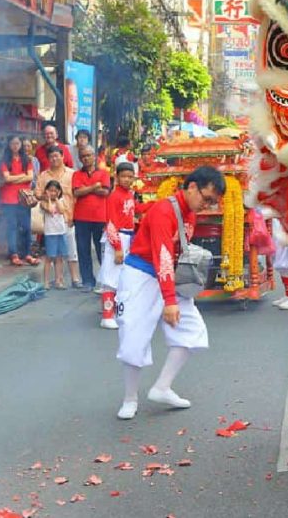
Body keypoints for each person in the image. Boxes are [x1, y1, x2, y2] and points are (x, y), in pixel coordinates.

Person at [115, 167, 225, 420]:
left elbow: (172, 257)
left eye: (212, 202)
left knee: (192, 330)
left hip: (166, 277)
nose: (207, 206)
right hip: (140, 276)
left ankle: (162, 387)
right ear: (192, 187)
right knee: (133, 336)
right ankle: (129, 398)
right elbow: (162, 256)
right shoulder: (164, 210)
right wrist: (170, 301)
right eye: (206, 199)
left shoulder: (190, 213)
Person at [36, 144, 83, 287]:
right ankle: (58, 279)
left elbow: (77, 194)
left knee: (71, 249)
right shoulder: (43, 176)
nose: (54, 158)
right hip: (51, 219)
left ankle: (75, 279)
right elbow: (37, 194)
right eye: (51, 156)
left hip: (68, 216)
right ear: (48, 159)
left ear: (63, 157)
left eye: (57, 155)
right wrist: (47, 198)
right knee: (54, 253)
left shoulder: (72, 174)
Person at [98, 163, 137, 329]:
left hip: (127, 237)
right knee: (111, 277)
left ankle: (117, 312)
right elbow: (111, 224)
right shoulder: (114, 196)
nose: (127, 179)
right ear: (117, 176)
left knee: (123, 278)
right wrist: (117, 247)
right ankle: (107, 315)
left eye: (130, 176)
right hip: (117, 237)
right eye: (124, 176)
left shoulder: (129, 194)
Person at [72, 145, 111, 290]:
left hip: (100, 217)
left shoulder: (103, 173)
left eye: (89, 155)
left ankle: (106, 280)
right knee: (83, 250)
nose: (86, 158)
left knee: (102, 251)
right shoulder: (77, 174)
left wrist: (86, 189)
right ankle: (88, 281)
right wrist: (95, 187)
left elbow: (105, 192)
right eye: (83, 156)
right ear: (80, 158)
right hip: (81, 217)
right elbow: (77, 192)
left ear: (94, 156)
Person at [0, 136, 38, 266]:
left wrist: (13, 178)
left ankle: (27, 253)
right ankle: (14, 254)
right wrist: (22, 176)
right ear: (9, 145)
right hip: (8, 198)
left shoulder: (27, 160)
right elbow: (6, 179)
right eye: (13, 143)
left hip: (24, 199)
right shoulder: (5, 160)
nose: (15, 146)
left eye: (17, 143)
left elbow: (31, 177)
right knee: (12, 227)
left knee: (27, 227)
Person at [40, 180, 71, 289]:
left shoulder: (61, 200)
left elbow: (62, 210)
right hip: (50, 233)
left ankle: (59, 280)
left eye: (55, 191)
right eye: (50, 191)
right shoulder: (43, 202)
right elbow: (50, 210)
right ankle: (46, 281)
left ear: (59, 192)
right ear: (46, 191)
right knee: (49, 258)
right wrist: (48, 199)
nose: (53, 193)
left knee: (59, 258)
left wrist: (57, 199)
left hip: (61, 232)